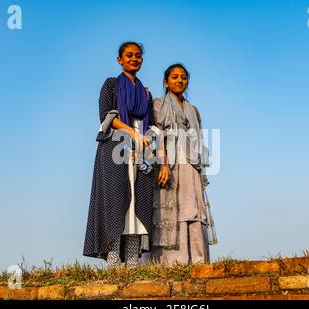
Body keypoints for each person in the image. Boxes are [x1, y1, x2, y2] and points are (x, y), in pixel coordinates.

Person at [83, 42, 156, 268]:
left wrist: (147, 146)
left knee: (137, 206)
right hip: (115, 149)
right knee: (116, 204)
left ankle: (133, 262)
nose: (134, 59)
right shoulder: (111, 85)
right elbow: (106, 117)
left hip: (141, 153)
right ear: (120, 60)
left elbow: (151, 124)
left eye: (138, 56)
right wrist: (132, 133)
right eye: (129, 55)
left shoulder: (146, 93)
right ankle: (114, 260)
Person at [151, 63, 217, 266]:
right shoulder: (158, 105)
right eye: (175, 77)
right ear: (166, 82)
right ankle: (172, 262)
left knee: (193, 209)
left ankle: (198, 260)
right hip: (169, 164)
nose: (180, 81)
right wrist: (162, 164)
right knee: (172, 210)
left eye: (183, 77)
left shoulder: (193, 110)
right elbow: (156, 136)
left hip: (191, 164)